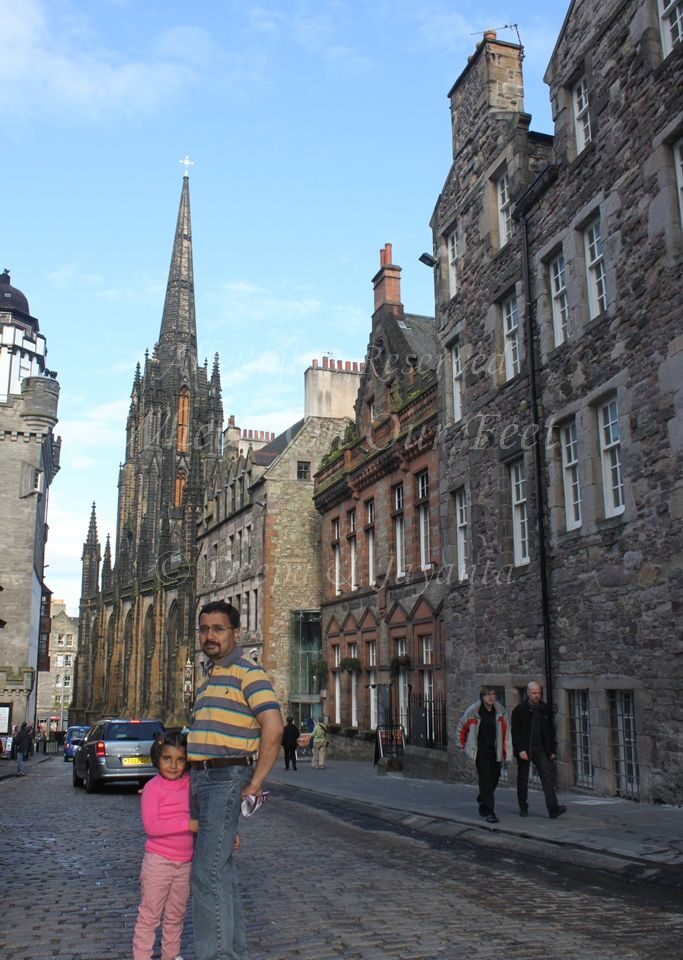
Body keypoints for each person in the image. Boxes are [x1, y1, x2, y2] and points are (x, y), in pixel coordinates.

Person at [187, 599, 283, 960]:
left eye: (218, 629)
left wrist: (255, 784)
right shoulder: (208, 677)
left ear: (235, 633)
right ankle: (234, 953)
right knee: (220, 872)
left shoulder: (249, 672)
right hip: (203, 779)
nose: (209, 636)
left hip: (225, 777)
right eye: (204, 629)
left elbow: (273, 727)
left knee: (205, 875)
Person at [133, 731, 196, 960]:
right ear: (157, 759)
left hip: (185, 864)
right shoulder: (152, 788)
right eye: (167, 758)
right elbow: (152, 827)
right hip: (158, 862)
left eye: (180, 759)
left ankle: (171, 956)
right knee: (150, 916)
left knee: (176, 917)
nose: (173, 765)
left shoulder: (190, 783)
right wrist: (187, 824)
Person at [511, 680, 567, 820]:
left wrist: (551, 749)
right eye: (534, 693)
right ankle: (523, 807)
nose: (537, 695)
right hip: (525, 748)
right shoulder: (519, 710)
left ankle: (553, 808)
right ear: (528, 693)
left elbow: (550, 730)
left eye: (539, 693)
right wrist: (520, 750)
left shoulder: (544, 709)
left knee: (547, 777)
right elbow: (515, 733)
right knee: (523, 779)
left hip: (540, 748)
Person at [457, 686, 511, 824]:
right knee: (486, 779)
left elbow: (506, 733)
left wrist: (506, 750)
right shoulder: (474, 711)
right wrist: (464, 746)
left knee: (495, 777)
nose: (491, 697)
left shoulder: (500, 712)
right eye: (488, 695)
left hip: (495, 750)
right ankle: (490, 812)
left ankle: (482, 797)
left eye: (493, 694)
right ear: (482, 697)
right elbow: (461, 728)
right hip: (480, 751)